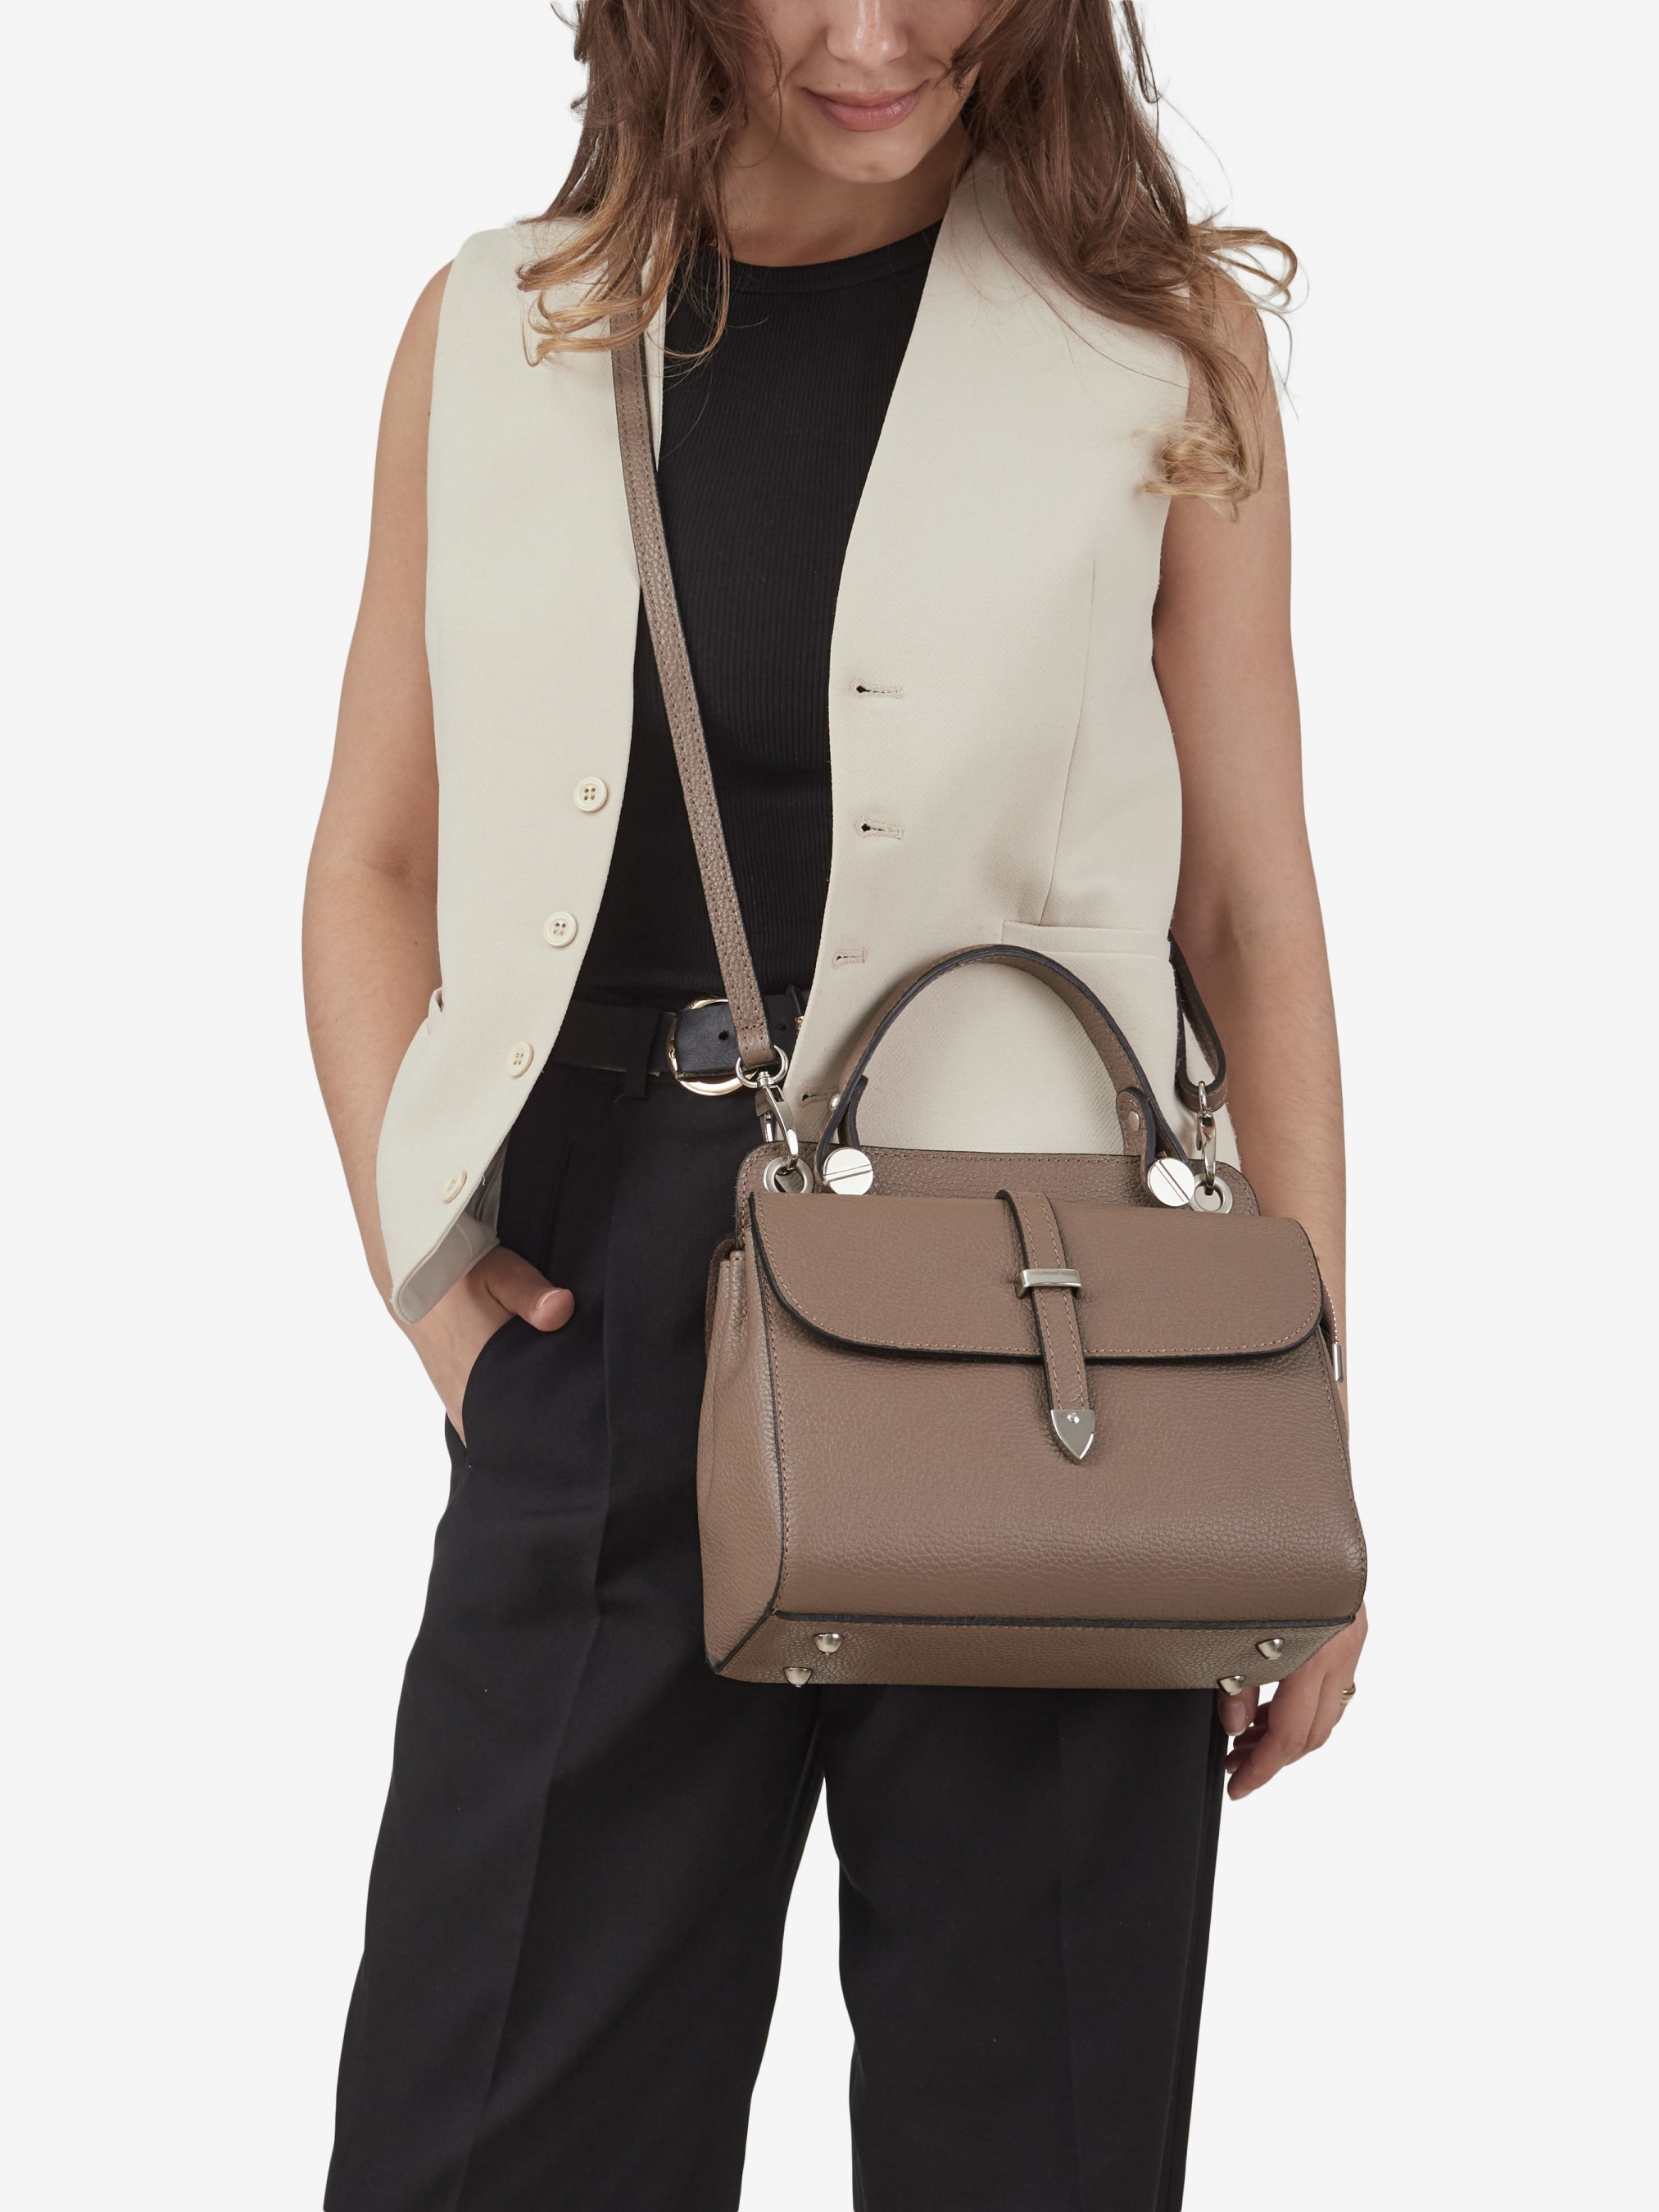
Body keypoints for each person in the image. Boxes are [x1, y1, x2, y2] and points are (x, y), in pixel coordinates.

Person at [304, 3, 1367, 2205]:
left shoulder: (1159, 349)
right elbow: (375, 862)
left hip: (1059, 1351)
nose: (876, 39)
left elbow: (1251, 916)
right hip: (597, 1303)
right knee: (485, 2138)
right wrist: (437, 1295)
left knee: (1030, 2141)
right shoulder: (491, 330)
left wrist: (1298, 1426)